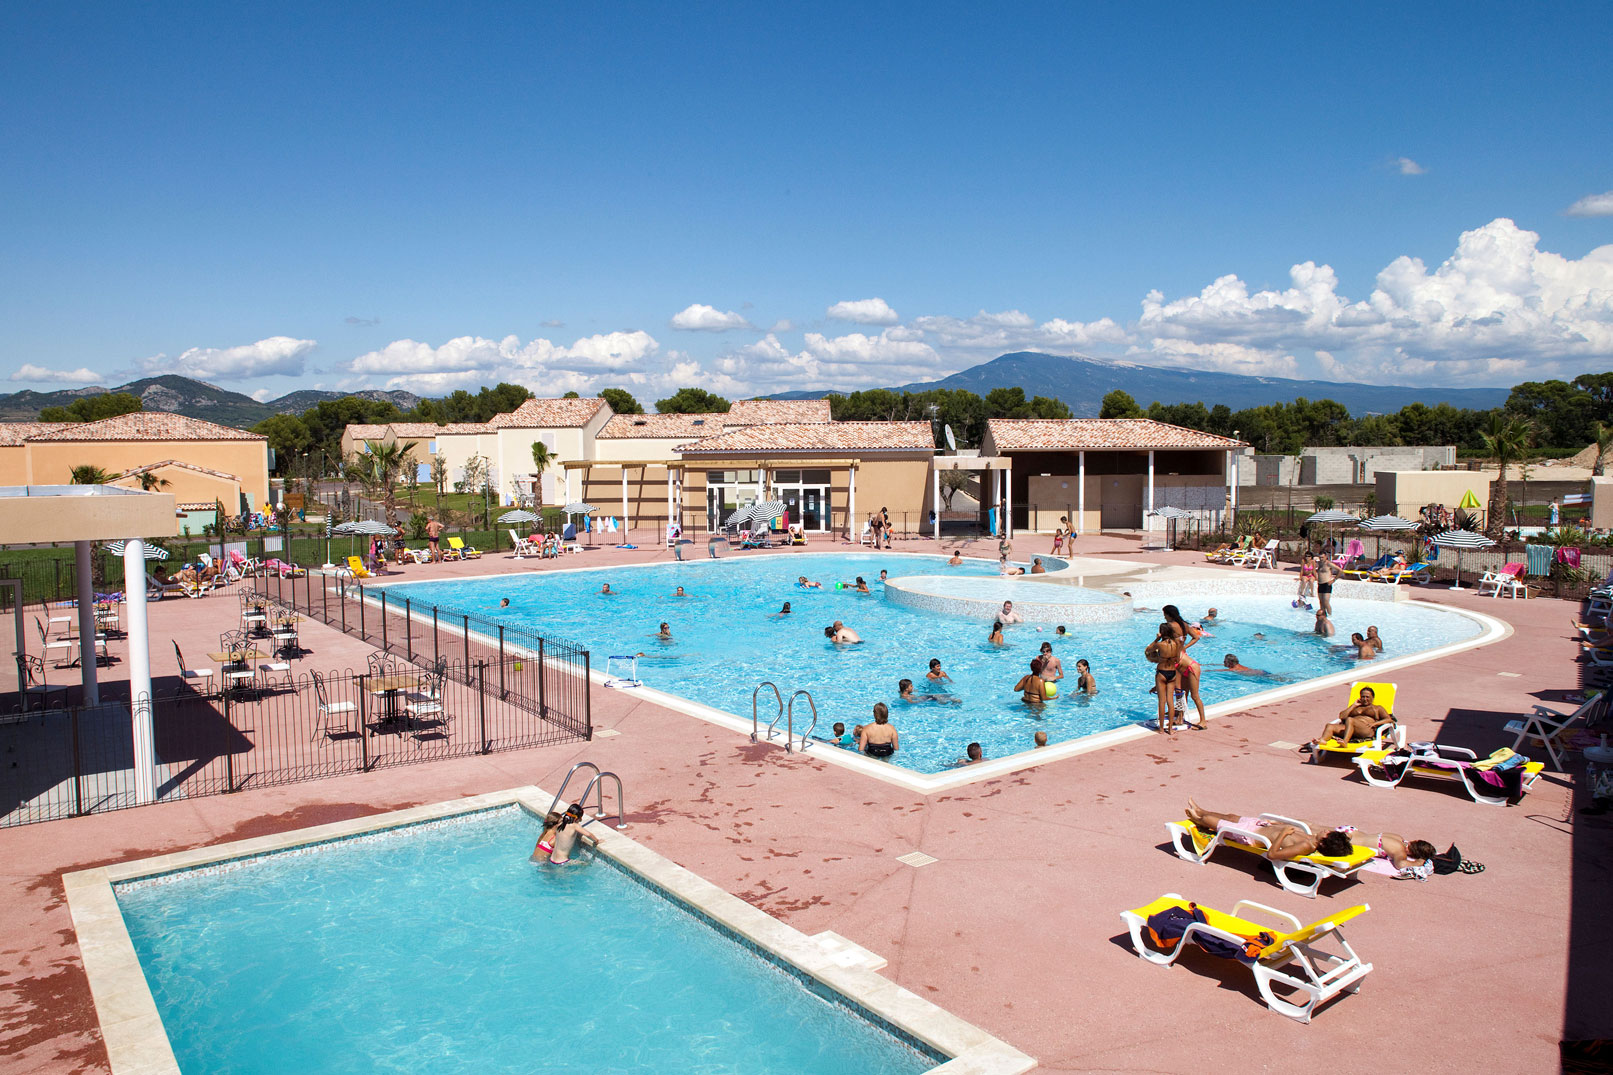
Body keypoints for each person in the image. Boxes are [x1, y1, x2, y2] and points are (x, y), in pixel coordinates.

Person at [1184, 799, 1354, 861]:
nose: (1326, 830)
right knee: (1229, 815)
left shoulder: (1306, 846)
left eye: (1329, 833)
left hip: (1251, 835)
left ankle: (1198, 818)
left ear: (1325, 841)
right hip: (1260, 826)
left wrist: (1282, 834)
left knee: (1217, 823)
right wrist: (1275, 824)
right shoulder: (1310, 837)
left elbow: (1272, 855)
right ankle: (1201, 810)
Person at [1302, 686, 1393, 751]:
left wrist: (1375, 724)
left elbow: (1389, 719)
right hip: (1351, 729)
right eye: (1362, 696)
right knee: (1330, 726)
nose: (1365, 699)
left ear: (1373, 697)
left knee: (1350, 720)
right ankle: (1323, 740)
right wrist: (1353, 705)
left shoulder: (1377, 708)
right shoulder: (1356, 707)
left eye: (1367, 697)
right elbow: (1341, 716)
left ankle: (1345, 741)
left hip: (1366, 730)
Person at [1160, 605, 1206, 729]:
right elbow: (1196, 637)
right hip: (1185, 663)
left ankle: (1203, 721)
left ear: (1168, 614)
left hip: (1190, 667)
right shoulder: (1184, 624)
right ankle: (1180, 718)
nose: (1164, 616)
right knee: (1181, 693)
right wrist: (1185, 647)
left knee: (1194, 695)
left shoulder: (1170, 627)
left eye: (1164, 614)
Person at [1144, 626, 1183, 734]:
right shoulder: (1177, 644)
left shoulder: (1160, 645)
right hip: (1173, 673)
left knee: (1162, 701)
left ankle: (1161, 728)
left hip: (1162, 673)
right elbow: (1179, 658)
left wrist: (1157, 638)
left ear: (1161, 633)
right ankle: (1170, 729)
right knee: (1170, 702)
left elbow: (1148, 650)